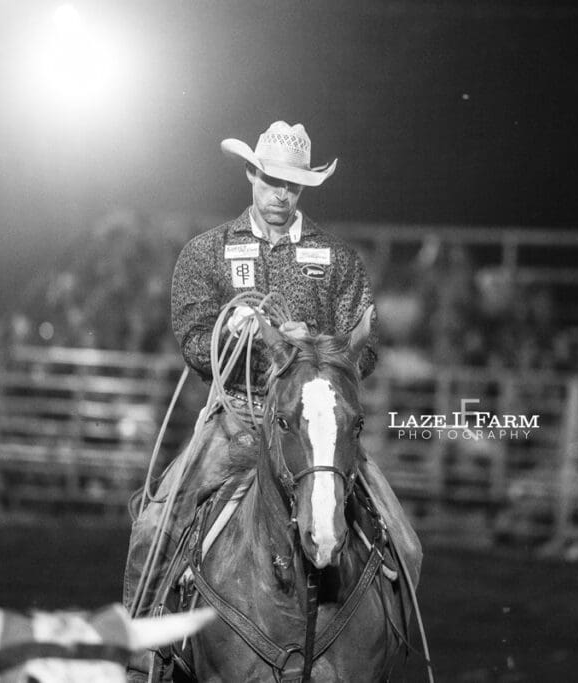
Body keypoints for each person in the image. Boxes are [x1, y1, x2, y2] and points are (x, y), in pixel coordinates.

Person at [121, 121, 422, 678]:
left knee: (404, 539)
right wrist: (228, 330)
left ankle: (394, 644)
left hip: (311, 426)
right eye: (270, 180)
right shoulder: (207, 253)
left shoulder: (337, 260)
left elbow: (366, 348)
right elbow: (191, 333)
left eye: (292, 185)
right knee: (156, 522)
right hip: (237, 416)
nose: (280, 194)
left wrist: (316, 347)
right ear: (250, 174)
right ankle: (143, 656)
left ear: (303, 189)